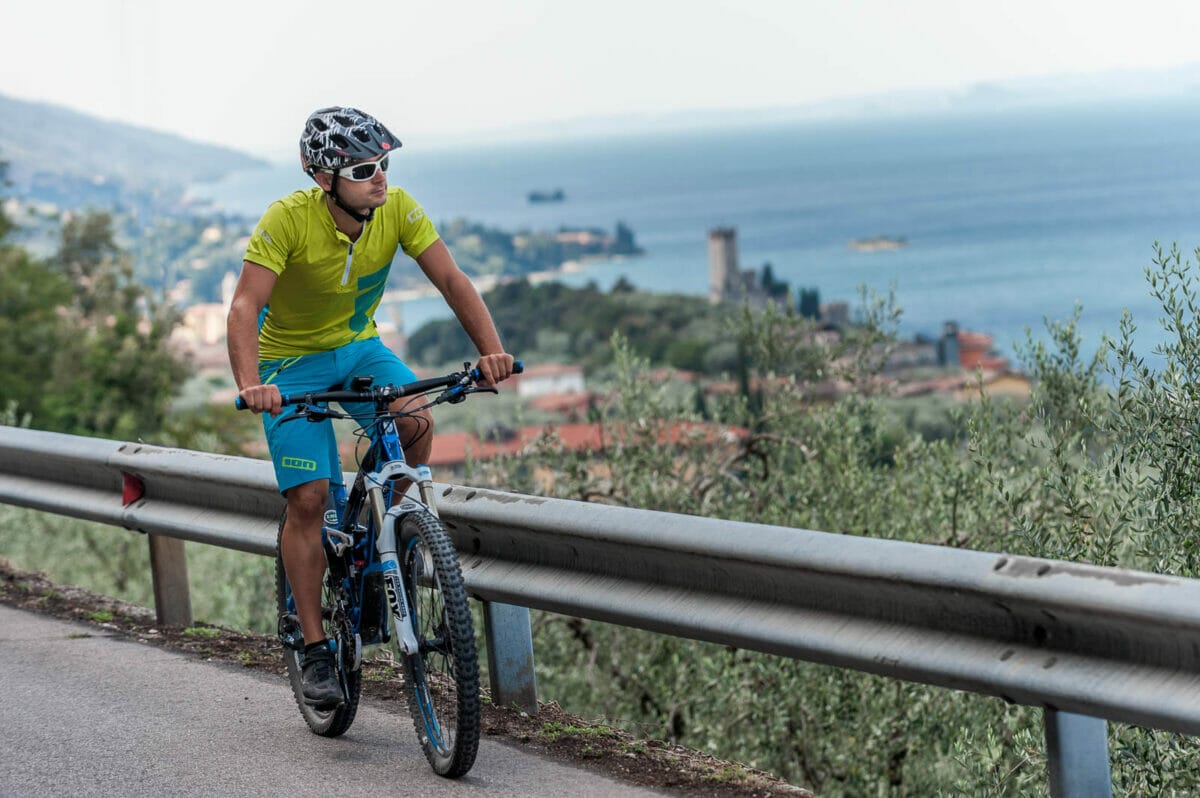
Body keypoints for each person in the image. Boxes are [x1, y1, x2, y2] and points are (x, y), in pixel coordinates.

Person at [227, 106, 515, 708]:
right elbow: (244, 307)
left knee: (414, 418)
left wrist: (491, 352)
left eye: (383, 164)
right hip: (288, 367)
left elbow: (453, 281)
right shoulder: (287, 220)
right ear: (322, 176)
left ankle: (396, 534)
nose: (379, 177)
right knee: (307, 498)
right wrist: (253, 382)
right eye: (363, 168)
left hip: (360, 350)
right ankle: (313, 647)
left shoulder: (399, 209)